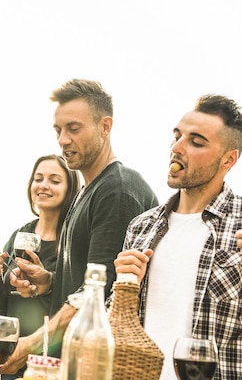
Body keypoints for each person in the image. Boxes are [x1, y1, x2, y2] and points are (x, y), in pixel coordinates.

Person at [1, 79, 159, 373]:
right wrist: (48, 283)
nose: (62, 140)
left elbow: (97, 293)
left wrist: (33, 344)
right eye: (58, 130)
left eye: (73, 128)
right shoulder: (87, 191)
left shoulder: (117, 191)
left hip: (97, 367)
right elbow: (81, 284)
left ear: (105, 127)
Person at [114, 94, 242, 380]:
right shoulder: (141, 227)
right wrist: (122, 286)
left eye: (196, 142)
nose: (177, 148)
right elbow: (118, 326)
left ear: (228, 159)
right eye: (177, 136)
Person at [0, 154, 79, 377]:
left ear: (70, 189)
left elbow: (74, 300)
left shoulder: (73, 241)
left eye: (54, 181)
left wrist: (44, 285)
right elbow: (1, 307)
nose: (43, 185)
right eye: (38, 179)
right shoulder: (20, 234)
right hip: (10, 353)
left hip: (47, 359)